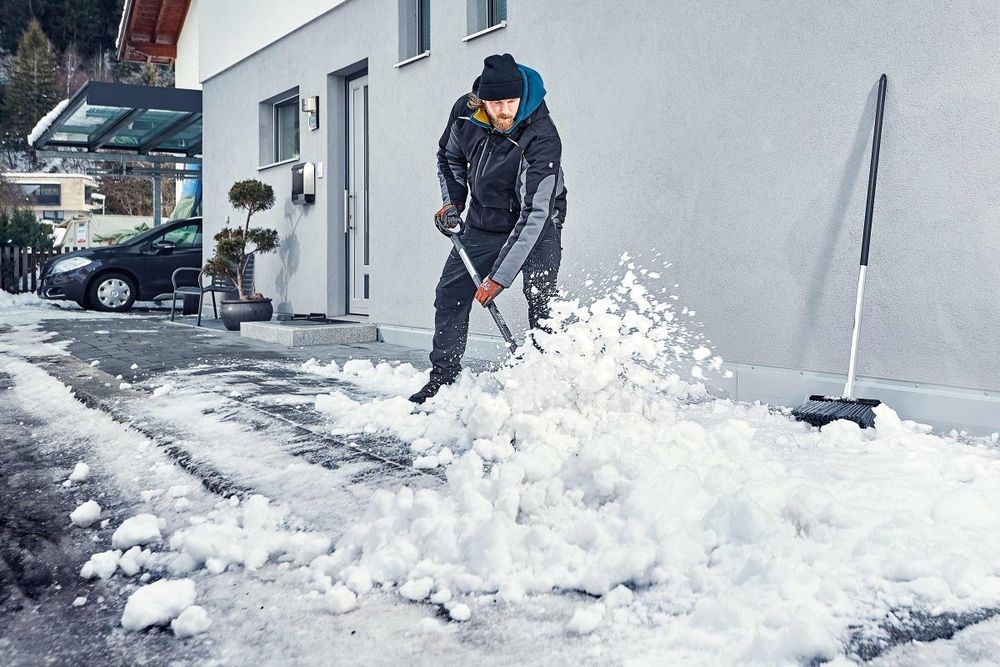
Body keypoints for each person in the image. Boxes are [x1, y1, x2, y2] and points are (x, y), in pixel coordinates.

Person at [409, 53, 567, 404]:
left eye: (511, 102)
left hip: (537, 225)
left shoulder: (542, 136)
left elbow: (536, 211)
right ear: (483, 101)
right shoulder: (465, 113)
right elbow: (448, 157)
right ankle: (443, 379)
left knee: (541, 299)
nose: (506, 111)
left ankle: (550, 385)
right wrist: (453, 202)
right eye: (497, 104)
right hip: (483, 221)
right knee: (449, 294)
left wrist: (498, 277)